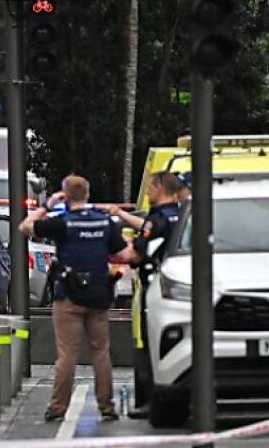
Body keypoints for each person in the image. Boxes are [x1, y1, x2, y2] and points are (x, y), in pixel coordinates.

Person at [20, 175, 136, 423]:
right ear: (88, 193)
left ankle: (58, 407)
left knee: (67, 354)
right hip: (99, 295)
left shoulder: (63, 223)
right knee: (101, 352)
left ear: (66, 195)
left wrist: (48, 205)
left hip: (69, 297)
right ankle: (107, 406)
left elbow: (25, 227)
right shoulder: (104, 222)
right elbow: (125, 253)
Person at [99, 171, 182, 418]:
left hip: (155, 288)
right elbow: (147, 226)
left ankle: (149, 401)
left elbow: (135, 254)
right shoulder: (180, 214)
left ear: (159, 187)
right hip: (177, 288)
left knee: (147, 343)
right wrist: (122, 214)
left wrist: (103, 246)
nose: (147, 192)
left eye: (149, 187)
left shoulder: (157, 220)